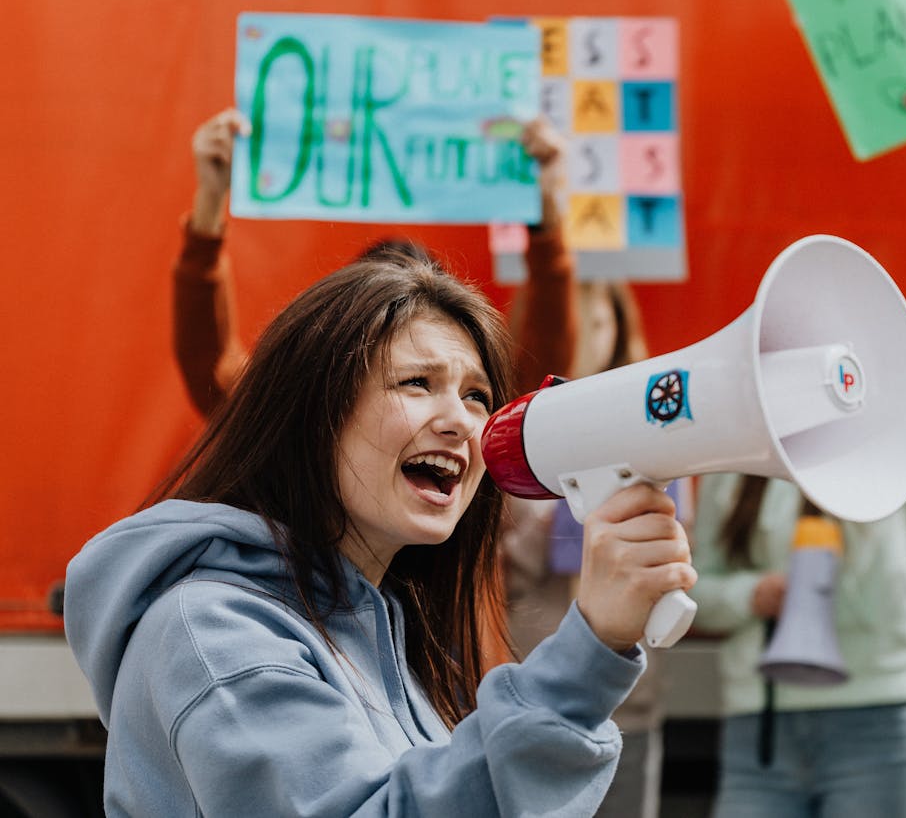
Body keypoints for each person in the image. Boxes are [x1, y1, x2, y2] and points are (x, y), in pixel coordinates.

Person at [63, 240, 696, 817]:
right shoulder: (211, 633)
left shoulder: (385, 625)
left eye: (478, 396)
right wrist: (591, 652)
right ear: (312, 418)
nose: (461, 422)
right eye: (416, 383)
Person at [686, 122, 906, 818]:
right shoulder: (739, 452)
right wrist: (753, 595)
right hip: (762, 728)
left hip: (883, 718)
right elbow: (697, 580)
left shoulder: (896, 440)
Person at [501, 122, 679, 818]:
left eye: (594, 309)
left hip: (625, 706)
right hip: (527, 683)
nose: (581, 323)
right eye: (569, 305)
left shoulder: (660, 434)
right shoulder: (509, 427)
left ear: (617, 323)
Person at [174, 108, 577, 416]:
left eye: (471, 394)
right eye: (409, 381)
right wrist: (209, 200)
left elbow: (537, 377)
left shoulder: (476, 420)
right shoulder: (306, 413)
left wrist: (545, 216)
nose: (447, 419)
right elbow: (213, 371)